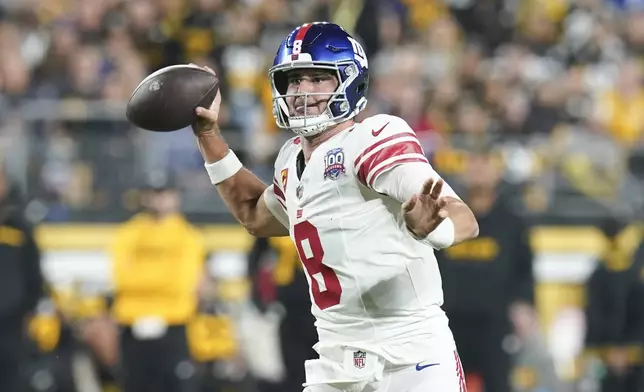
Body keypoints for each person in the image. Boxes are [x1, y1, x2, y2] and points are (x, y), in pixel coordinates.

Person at [192, 22, 479, 391]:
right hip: (337, 360)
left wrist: (435, 228)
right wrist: (208, 135)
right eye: (294, 80)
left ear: (349, 81)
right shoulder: (290, 161)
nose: (301, 91)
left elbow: (463, 218)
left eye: (317, 79)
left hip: (410, 357)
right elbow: (253, 212)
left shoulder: (370, 138)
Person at [111, 173, 205, 392]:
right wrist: (161, 277)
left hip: (173, 324)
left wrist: (143, 278)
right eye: (155, 194)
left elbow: (182, 282)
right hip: (132, 324)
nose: (159, 199)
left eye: (165, 194)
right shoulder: (128, 232)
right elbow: (120, 277)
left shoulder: (189, 236)